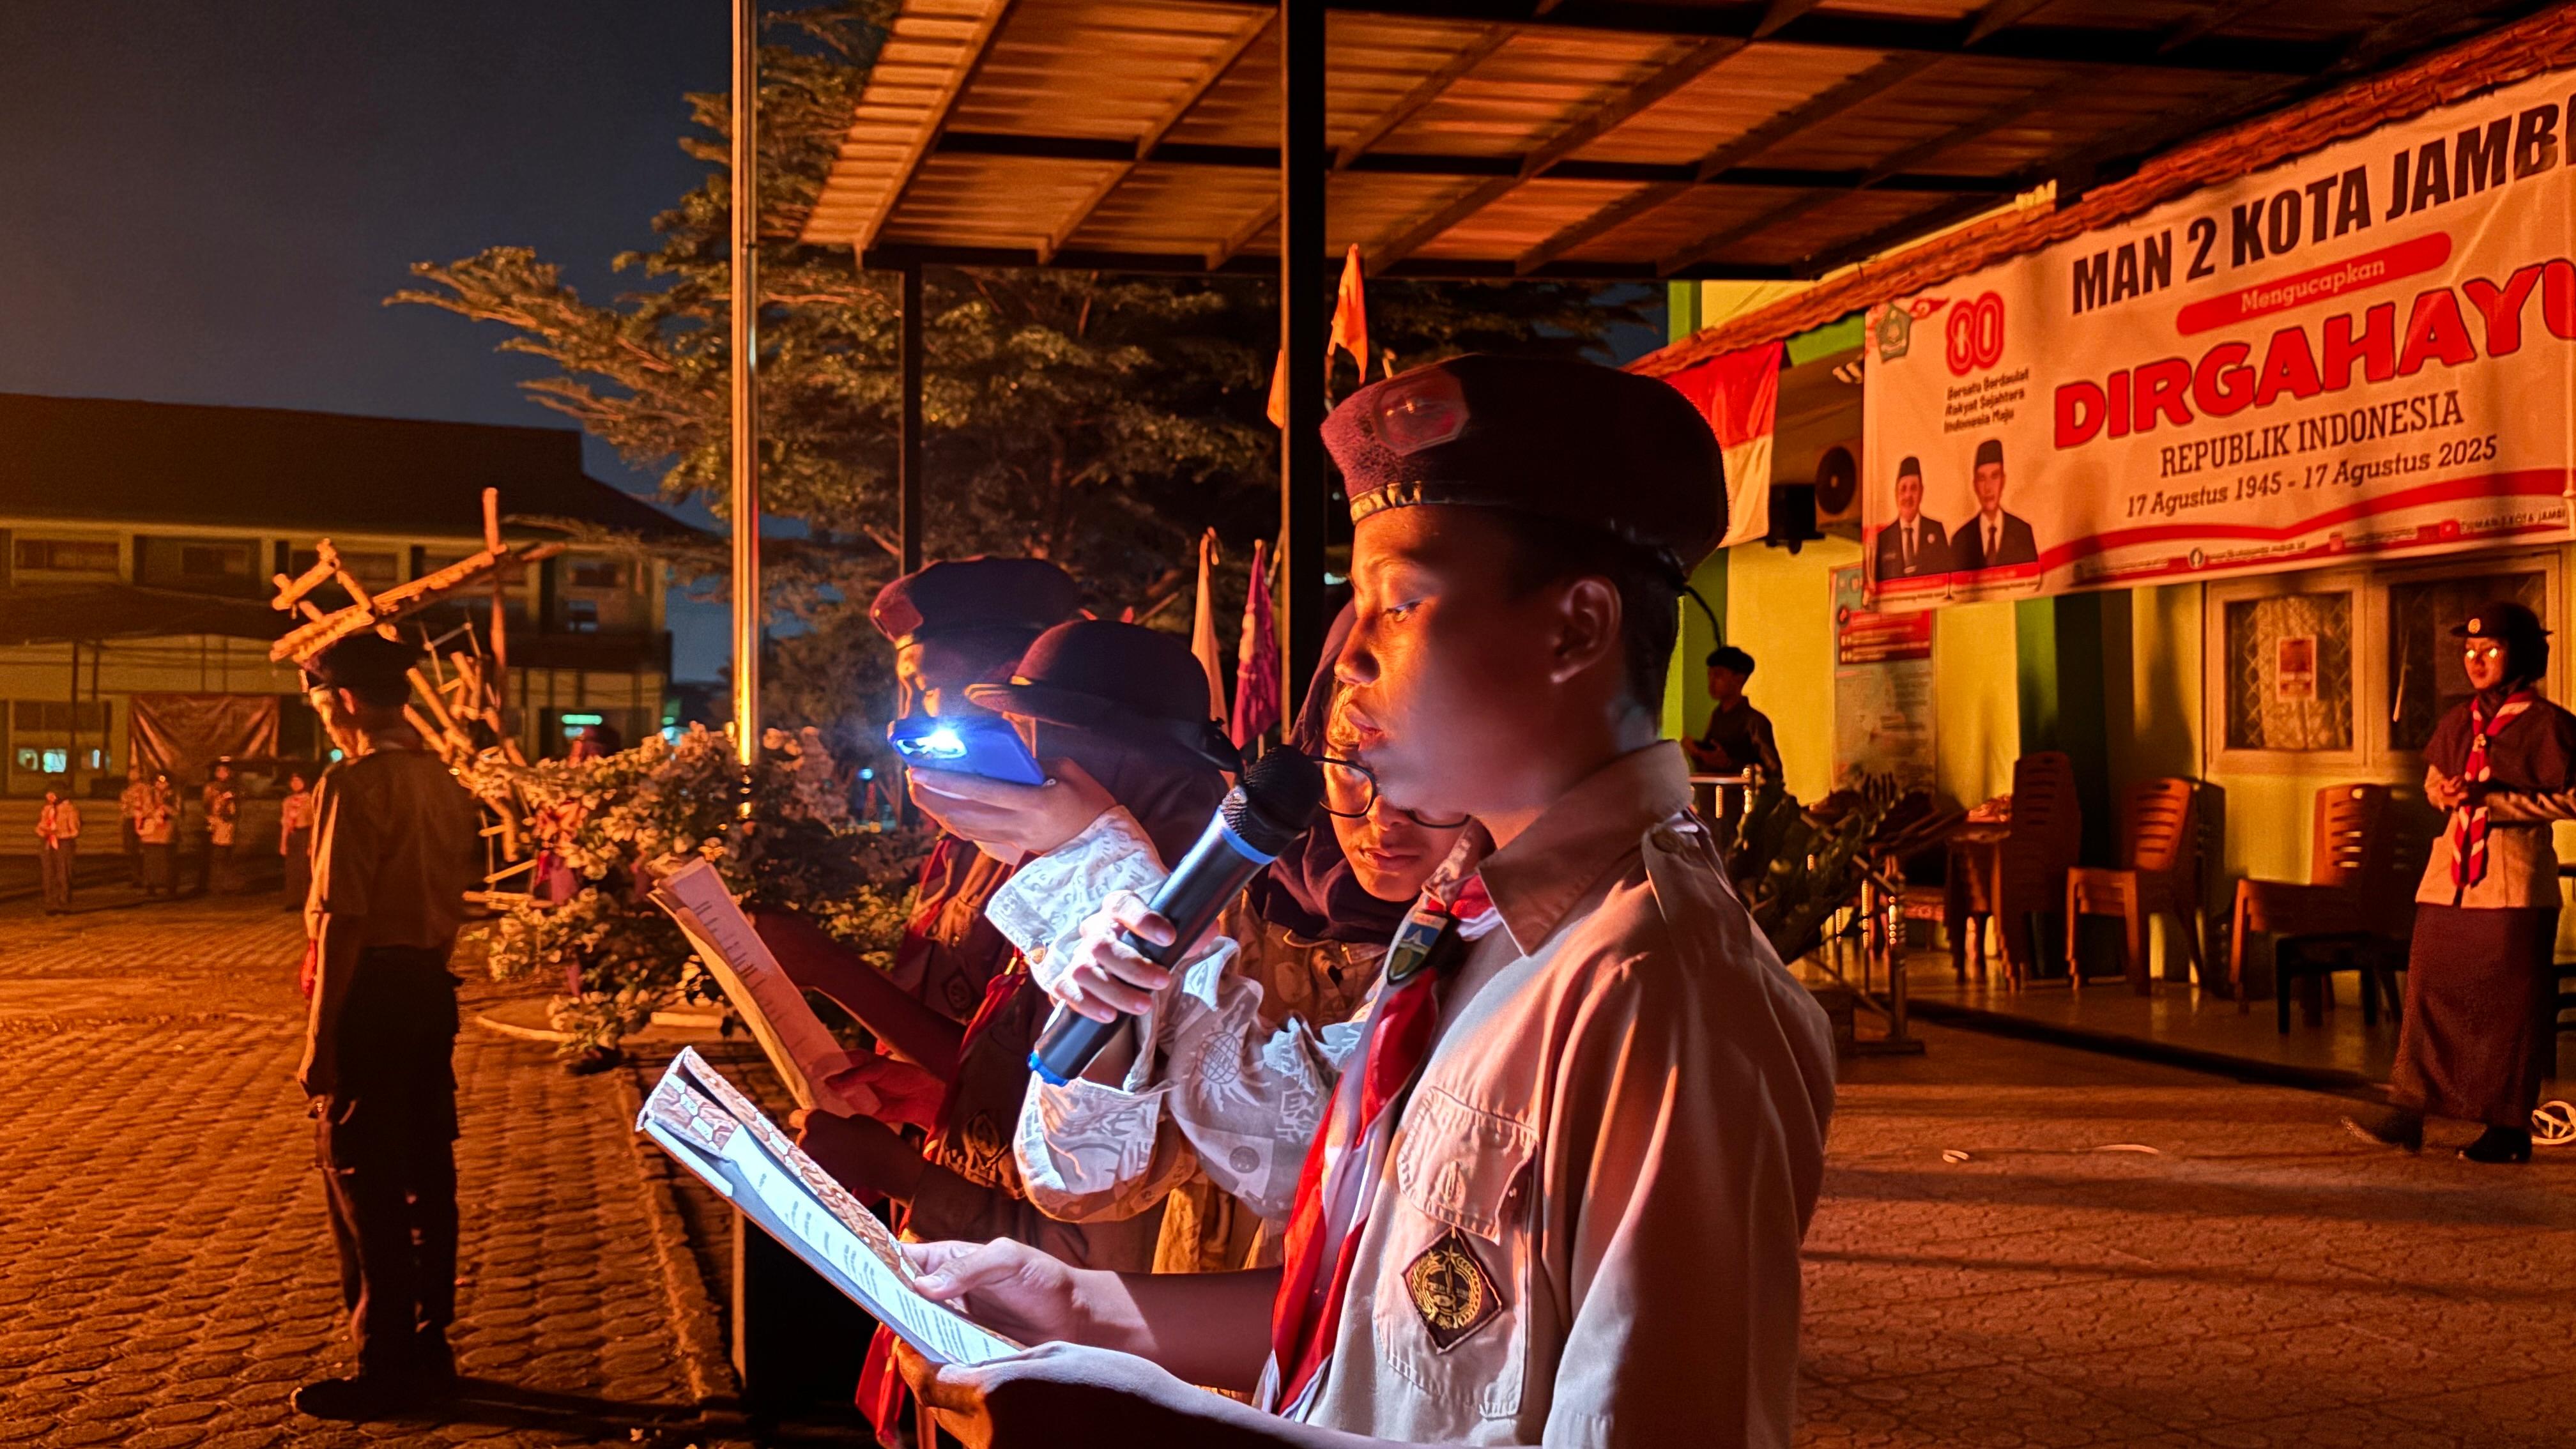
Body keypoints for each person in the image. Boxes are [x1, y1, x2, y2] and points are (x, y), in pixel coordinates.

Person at [894, 355, 1838, 1448]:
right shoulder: (1472, 926)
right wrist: (1073, 1308)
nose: (1348, 665)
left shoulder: (1652, 985)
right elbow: (1388, 1315)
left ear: (1575, 629)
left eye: (1400, 604)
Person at [765, 618, 1231, 1441]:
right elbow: (1032, 1095)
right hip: (988, 1347)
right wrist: (935, 1104)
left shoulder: (1163, 933)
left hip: (1053, 1385)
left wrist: (902, 1176)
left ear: (1125, 766)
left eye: (1036, 752)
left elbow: (1093, 1251)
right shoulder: (1076, 897)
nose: (1014, 773)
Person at [967, 608, 1472, 1275]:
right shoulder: (1241, 895)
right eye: (1351, 765)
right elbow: (1091, 1181)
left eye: (1426, 774)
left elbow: (1319, 1152)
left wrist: (1095, 859)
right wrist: (1114, 1018)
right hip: (1205, 1331)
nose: (1384, 818)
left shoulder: (1486, 932)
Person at [291, 631, 484, 1419]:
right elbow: (454, 905)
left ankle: (385, 1365)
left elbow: (341, 917)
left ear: (342, 701)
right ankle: (431, 1344)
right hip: (428, 987)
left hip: (369, 990)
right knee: (425, 1175)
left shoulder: (353, 783)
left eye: (319, 707)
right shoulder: (444, 781)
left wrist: (319, 1038)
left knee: (362, 1177)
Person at [2347, 602, 2576, 1165]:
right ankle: (2408, 1111)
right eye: (2469, 652)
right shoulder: (2458, 721)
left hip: (2510, 887)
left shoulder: (2550, 724)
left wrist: (2496, 802)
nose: (2477, 661)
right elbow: (2434, 783)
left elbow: (2573, 797)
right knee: (2429, 993)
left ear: (2521, 654)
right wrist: (2444, 794)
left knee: (2506, 1010)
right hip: (2449, 882)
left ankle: (2507, 1129)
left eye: (2490, 650)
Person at [876, 557, 1084, 1022]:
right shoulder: (972, 833)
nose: (910, 718)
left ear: (1007, 682)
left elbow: (1015, 1065)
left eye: (926, 689)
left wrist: (828, 972)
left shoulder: (1079, 846)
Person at [1684, 643, 1784, 780]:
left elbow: (1773, 773)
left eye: (1718, 675)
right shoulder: (1718, 716)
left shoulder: (1754, 721)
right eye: (1710, 675)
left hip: (1743, 798)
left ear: (1739, 679)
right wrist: (1695, 750)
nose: (1712, 682)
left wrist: (1729, 764)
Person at [1950, 437, 2036, 570]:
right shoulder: (1961, 539)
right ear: (1975, 485)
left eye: (1995, 476)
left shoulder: (2022, 532)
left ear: (2003, 480)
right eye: (1982, 479)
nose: (1988, 487)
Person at [1872, 455, 1951, 579]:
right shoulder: (1884, 539)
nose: (1908, 495)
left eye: (1914, 488)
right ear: (1896, 494)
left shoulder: (1937, 530)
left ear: (1921, 492)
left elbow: (1947, 578)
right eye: (1903, 489)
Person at [36, 783, 81, 914]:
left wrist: (60, 834)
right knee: (49, 873)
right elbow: (40, 825)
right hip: (48, 843)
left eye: (52, 795)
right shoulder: (47, 809)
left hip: (64, 844)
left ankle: (63, 903)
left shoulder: (70, 809)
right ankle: (50, 903)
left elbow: (75, 830)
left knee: (63, 873)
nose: (49, 798)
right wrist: (44, 832)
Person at [136, 772, 178, 897]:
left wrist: (164, 807)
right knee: (151, 860)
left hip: (167, 832)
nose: (160, 785)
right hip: (151, 833)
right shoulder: (148, 794)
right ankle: (150, 884)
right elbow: (143, 810)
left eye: (164, 782)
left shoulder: (174, 795)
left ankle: (170, 885)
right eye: (158, 782)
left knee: (167, 860)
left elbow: (177, 812)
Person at [280, 770, 317, 911]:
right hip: (292, 835)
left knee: (303, 870)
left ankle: (304, 901)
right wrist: (283, 843)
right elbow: (285, 822)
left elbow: (314, 823)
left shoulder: (310, 799)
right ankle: (292, 901)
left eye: (298, 781)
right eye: (293, 781)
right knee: (291, 870)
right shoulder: (288, 801)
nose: (295, 784)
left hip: (304, 834)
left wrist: (311, 844)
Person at [206, 765, 241, 894]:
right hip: (216, 825)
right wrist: (210, 820)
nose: (222, 773)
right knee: (217, 855)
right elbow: (207, 805)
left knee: (227, 855)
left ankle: (227, 883)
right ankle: (216, 884)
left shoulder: (234, 787)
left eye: (225, 771)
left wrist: (232, 797)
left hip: (229, 827)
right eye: (219, 770)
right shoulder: (211, 787)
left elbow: (237, 806)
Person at [119, 765, 149, 887]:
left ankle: (143, 877)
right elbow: (123, 807)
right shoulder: (127, 790)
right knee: (131, 850)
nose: (131, 775)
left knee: (141, 850)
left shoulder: (145, 789)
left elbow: (147, 805)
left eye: (134, 772)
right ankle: (136, 876)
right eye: (130, 772)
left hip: (141, 820)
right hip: (129, 820)